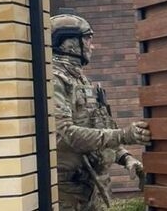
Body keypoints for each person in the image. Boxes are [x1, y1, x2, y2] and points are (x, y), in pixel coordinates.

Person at [51, 13, 151, 210]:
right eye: (87, 38)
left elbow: (99, 127)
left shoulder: (82, 81)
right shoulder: (55, 81)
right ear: (67, 42)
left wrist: (126, 158)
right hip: (68, 194)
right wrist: (124, 135)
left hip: (93, 188)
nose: (92, 45)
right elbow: (64, 135)